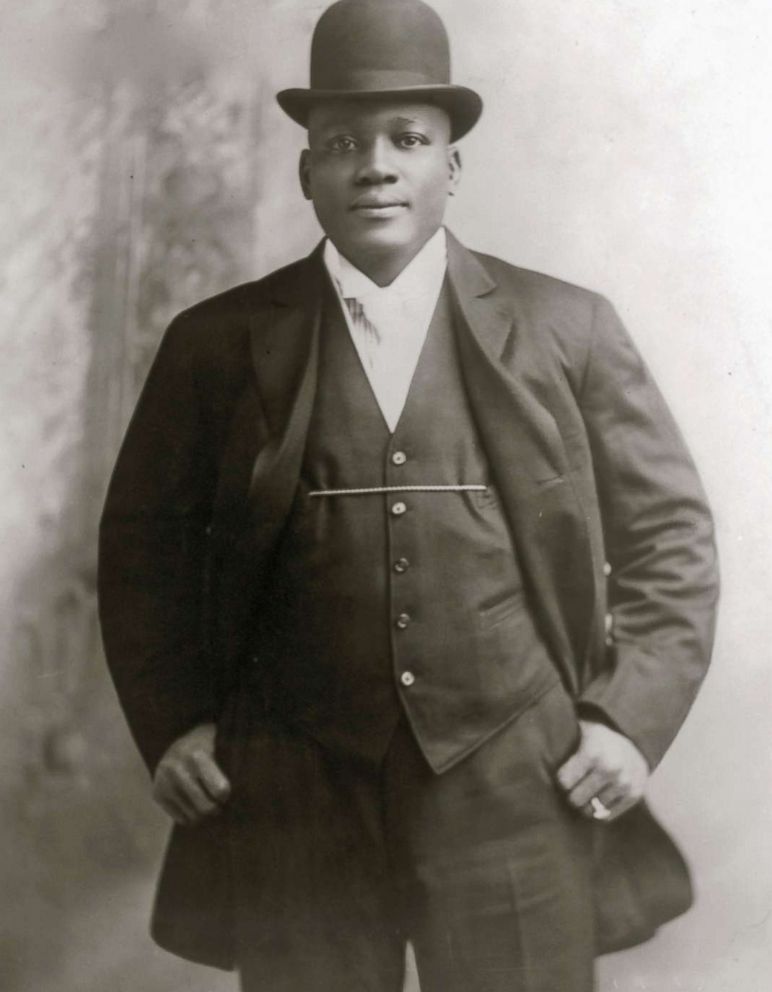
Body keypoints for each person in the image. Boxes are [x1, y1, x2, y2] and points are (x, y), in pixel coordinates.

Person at [97, 1, 719, 990]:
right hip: (296, 788)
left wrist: (623, 718)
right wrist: (175, 719)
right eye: (340, 142)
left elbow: (671, 541)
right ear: (307, 172)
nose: (374, 164)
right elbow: (141, 554)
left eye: (407, 139)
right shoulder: (216, 344)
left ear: (451, 167)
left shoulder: (567, 327)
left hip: (516, 783)